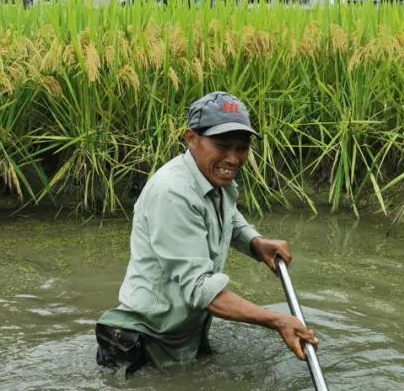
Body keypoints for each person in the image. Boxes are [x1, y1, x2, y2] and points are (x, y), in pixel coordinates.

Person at [97, 91, 317, 375]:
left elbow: (228, 214)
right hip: (142, 341)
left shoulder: (213, 178)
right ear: (191, 139)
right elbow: (202, 289)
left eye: (242, 148)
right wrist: (277, 321)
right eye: (222, 145)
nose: (234, 158)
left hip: (181, 332)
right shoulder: (173, 193)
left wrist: (254, 241)